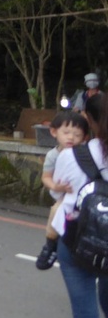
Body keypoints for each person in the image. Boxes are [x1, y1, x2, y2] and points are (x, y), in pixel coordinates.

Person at [51, 100, 108, 318]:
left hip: (77, 239)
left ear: (88, 119)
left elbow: (56, 194)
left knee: (85, 311)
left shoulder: (72, 155)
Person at [35, 110, 89, 269]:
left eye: (77, 135)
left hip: (84, 194)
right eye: (66, 133)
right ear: (54, 132)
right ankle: (50, 245)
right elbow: (46, 177)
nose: (71, 138)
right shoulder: (53, 155)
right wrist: (56, 186)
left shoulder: (85, 153)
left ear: (85, 137)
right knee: (55, 211)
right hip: (65, 194)